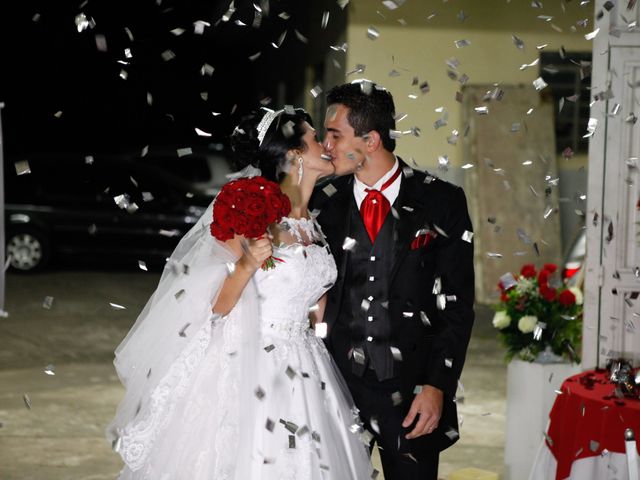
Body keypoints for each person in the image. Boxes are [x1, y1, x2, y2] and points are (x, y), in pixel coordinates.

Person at [107, 107, 374, 479]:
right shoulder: (253, 208)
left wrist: (320, 333)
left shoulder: (312, 222)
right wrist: (247, 264)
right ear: (294, 153)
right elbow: (212, 304)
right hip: (254, 363)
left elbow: (314, 299)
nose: (326, 145)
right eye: (315, 138)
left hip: (307, 364)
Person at [312, 80, 475, 480]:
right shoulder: (320, 201)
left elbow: (457, 307)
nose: (326, 145)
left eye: (335, 135)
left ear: (371, 140)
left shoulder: (443, 202)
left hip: (410, 394)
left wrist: (437, 387)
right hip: (334, 389)